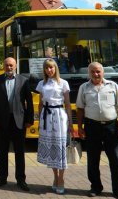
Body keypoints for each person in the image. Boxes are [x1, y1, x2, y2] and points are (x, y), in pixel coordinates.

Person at [76, 62, 118, 199]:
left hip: (111, 127)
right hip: (92, 127)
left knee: (115, 159)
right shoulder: (84, 87)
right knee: (93, 159)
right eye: (93, 72)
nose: (96, 74)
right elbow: (80, 108)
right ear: (89, 73)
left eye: (98, 71)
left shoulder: (113, 86)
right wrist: (80, 128)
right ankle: (95, 187)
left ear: (103, 72)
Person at [0, 57, 33, 191]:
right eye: (7, 65)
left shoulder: (23, 80)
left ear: (16, 66)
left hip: (19, 121)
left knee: (20, 152)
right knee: (2, 151)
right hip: (2, 122)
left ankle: (21, 180)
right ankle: (1, 178)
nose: (9, 67)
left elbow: (29, 102)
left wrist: (29, 120)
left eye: (11, 65)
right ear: (3, 66)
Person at [36, 59, 72, 194]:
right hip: (46, 116)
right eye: (46, 68)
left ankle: (61, 179)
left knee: (60, 147)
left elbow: (67, 104)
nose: (49, 70)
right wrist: (40, 119)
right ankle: (55, 177)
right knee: (51, 148)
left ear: (55, 68)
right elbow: (40, 104)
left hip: (59, 115)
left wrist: (70, 121)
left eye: (51, 68)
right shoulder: (41, 83)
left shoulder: (63, 83)